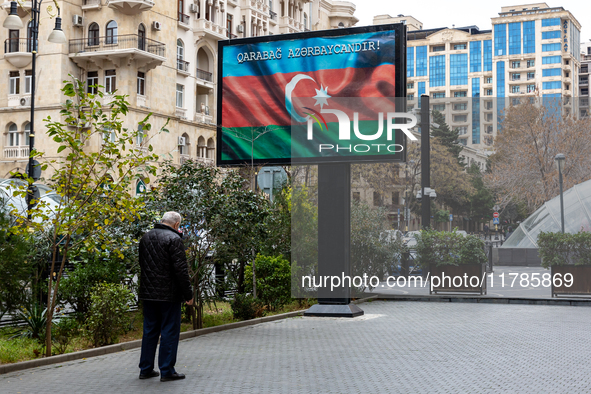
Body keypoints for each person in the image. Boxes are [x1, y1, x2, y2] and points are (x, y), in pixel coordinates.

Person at [138, 211, 194, 382]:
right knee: (169, 331)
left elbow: (142, 263)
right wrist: (188, 294)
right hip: (169, 295)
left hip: (149, 293)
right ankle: (167, 370)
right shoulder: (174, 239)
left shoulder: (146, 237)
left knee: (149, 331)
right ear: (176, 224)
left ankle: (146, 369)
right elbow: (181, 270)